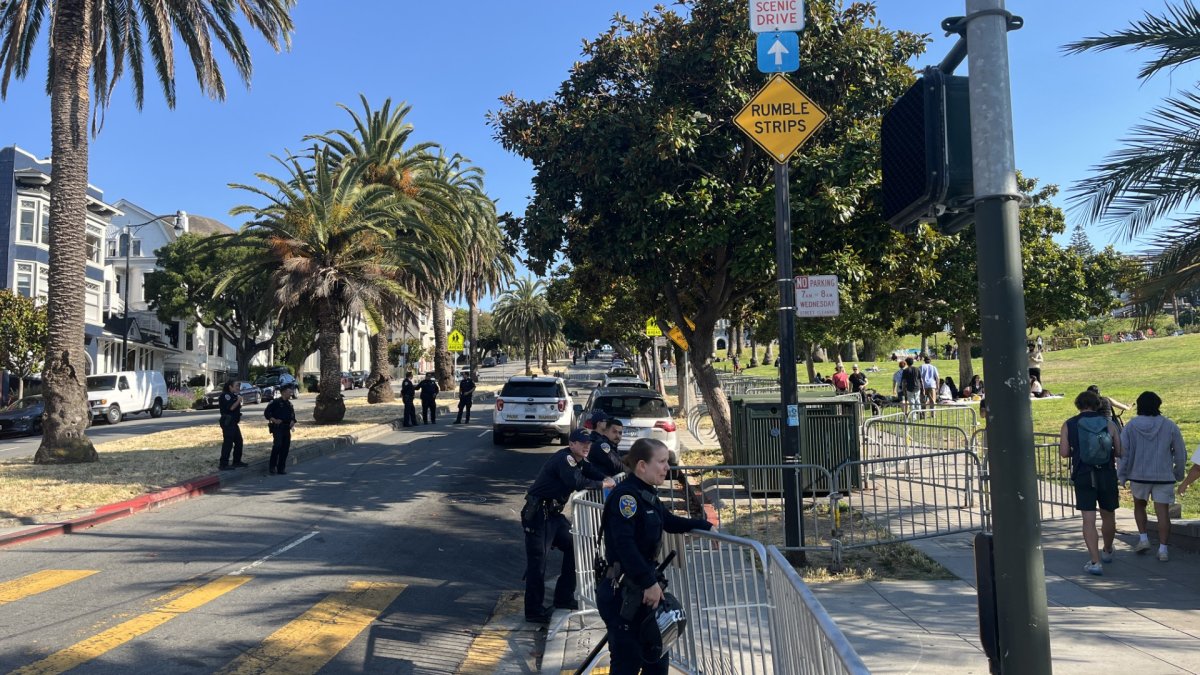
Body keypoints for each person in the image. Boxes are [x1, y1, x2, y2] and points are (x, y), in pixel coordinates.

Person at [598, 438, 712, 674]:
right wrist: (648, 582)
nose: (667, 467)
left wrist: (705, 525)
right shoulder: (626, 498)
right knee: (626, 664)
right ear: (642, 465)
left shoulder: (646, 494)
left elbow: (669, 521)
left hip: (645, 593)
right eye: (661, 462)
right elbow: (624, 545)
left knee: (657, 662)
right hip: (624, 594)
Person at [523, 428, 615, 623]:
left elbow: (591, 471)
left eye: (588, 443)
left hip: (554, 516)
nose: (587, 446)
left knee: (576, 548)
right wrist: (602, 485)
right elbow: (577, 481)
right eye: (582, 443)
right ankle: (533, 611)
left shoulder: (579, 460)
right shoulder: (565, 459)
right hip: (539, 515)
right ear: (571, 444)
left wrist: (607, 479)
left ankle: (563, 597)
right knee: (538, 564)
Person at [1058, 390, 1123, 575]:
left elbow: (1063, 452)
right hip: (1107, 473)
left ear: (1078, 405)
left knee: (1089, 519)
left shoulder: (1069, 424)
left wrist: (1078, 451)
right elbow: (1119, 451)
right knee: (1108, 515)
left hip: (1083, 473)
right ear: (1098, 405)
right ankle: (1108, 550)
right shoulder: (1108, 424)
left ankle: (1095, 562)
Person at [1118, 391, 1186, 562]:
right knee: (1162, 512)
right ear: (1158, 405)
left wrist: (1122, 475)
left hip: (1139, 474)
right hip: (1163, 475)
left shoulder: (1131, 426)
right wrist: (1178, 473)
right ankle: (1163, 549)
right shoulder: (1169, 426)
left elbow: (1123, 453)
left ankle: (1143, 539)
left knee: (1139, 506)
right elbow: (1180, 453)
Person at [264, 379, 297, 475]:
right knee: (277, 446)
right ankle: (272, 466)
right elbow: (267, 413)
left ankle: (281, 468)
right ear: (283, 392)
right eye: (289, 392)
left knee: (285, 448)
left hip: (287, 428)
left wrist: (292, 422)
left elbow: (293, 416)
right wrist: (274, 420)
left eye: (291, 392)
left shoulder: (289, 404)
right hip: (278, 427)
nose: (290, 393)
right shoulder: (275, 402)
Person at [217, 380, 247, 470]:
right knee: (228, 443)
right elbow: (231, 407)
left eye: (238, 386)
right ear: (230, 386)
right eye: (236, 386)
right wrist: (238, 400)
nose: (238, 388)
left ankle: (236, 461)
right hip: (228, 422)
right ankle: (223, 464)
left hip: (234, 422)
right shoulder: (226, 395)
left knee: (239, 441)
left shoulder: (233, 395)